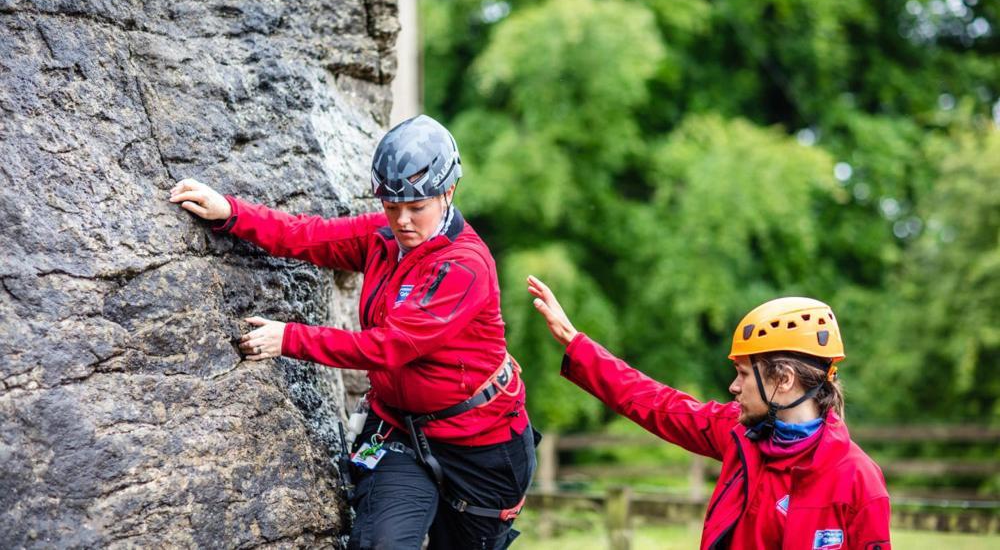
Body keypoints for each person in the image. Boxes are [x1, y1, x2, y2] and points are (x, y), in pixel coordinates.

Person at [168, 115, 536, 549]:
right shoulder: (383, 237)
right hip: (399, 431)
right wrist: (231, 212)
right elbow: (310, 236)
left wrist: (289, 339)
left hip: (478, 447)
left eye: (417, 207)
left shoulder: (464, 266)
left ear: (448, 192)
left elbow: (391, 346)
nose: (402, 220)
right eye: (391, 206)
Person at [527, 275, 891, 550]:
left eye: (744, 374)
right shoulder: (738, 434)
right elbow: (655, 403)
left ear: (784, 379)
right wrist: (577, 344)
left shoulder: (859, 481)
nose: (734, 387)